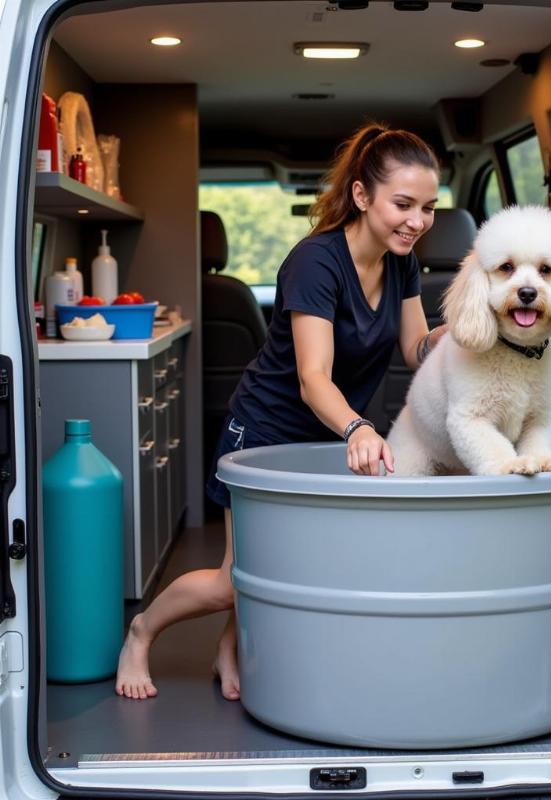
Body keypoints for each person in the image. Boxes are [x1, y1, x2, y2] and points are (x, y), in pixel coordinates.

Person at [116, 122, 446, 700]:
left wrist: (462, 335)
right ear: (363, 196)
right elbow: (312, 376)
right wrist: (359, 427)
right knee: (233, 579)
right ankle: (142, 632)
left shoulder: (403, 263)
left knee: (288, 563)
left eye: (428, 207)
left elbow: (416, 349)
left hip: (333, 432)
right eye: (403, 204)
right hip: (267, 430)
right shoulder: (316, 263)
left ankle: (229, 645)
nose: (416, 221)